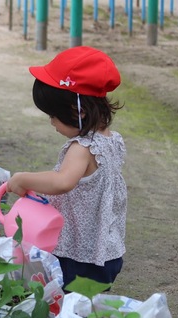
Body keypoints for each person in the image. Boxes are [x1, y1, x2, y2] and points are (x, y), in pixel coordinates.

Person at [7, 46, 127, 289]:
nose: (51, 122)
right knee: (87, 308)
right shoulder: (112, 140)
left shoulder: (83, 148)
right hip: (106, 249)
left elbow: (62, 182)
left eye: (53, 115)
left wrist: (23, 179)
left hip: (80, 255)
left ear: (78, 111)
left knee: (67, 308)